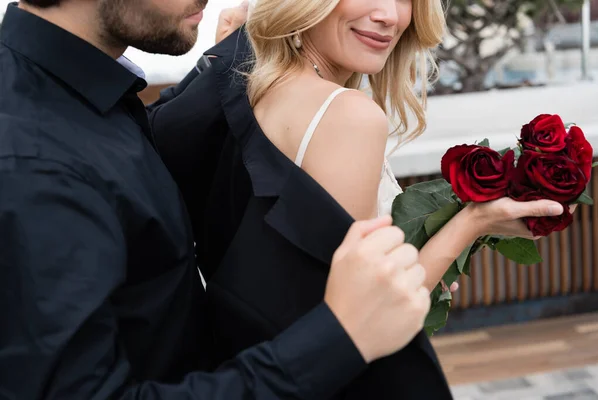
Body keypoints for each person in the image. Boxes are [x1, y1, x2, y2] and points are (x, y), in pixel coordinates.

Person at [0, 1, 434, 399]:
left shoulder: (83, 100)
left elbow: (145, 164)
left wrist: (237, 50)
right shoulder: (34, 160)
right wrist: (342, 337)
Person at [151, 1, 569, 399]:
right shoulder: (347, 115)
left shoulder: (248, 83)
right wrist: (473, 223)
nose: (389, 15)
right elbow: (362, 318)